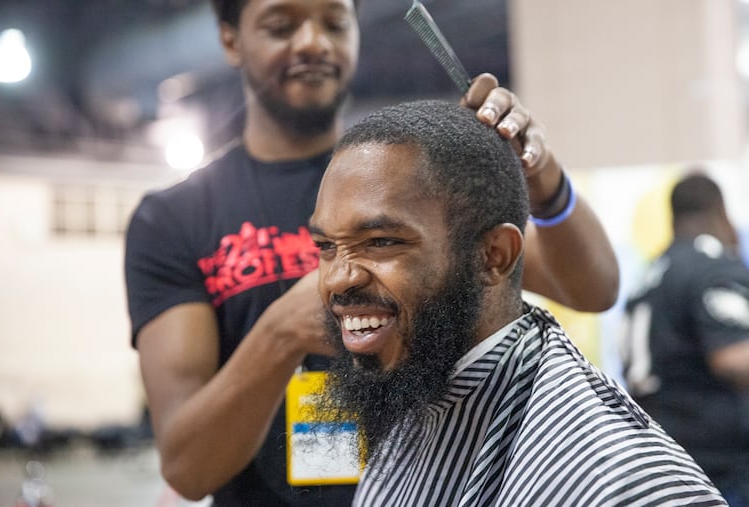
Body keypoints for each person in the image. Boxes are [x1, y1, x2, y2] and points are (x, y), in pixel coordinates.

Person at [124, 0, 619, 504]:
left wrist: (543, 178)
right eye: (282, 25)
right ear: (231, 40)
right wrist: (279, 334)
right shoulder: (174, 219)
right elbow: (186, 468)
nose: (314, 42)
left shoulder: (410, 181)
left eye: (335, 22)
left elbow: (594, 288)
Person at [309, 99, 725, 506]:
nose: (338, 278)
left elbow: (597, 286)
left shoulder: (619, 478)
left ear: (494, 256)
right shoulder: (417, 403)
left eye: (382, 242)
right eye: (326, 246)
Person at [620, 172, 749, 506]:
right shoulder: (711, 264)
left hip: (658, 460)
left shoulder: (647, 276)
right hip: (716, 469)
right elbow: (732, 358)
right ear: (721, 213)